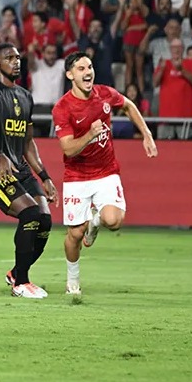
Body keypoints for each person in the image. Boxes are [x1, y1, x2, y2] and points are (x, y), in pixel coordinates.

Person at [51, 52, 158, 294]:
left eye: (89, 66)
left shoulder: (105, 94)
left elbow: (129, 105)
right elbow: (67, 147)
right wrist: (90, 135)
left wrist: (146, 134)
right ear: (70, 75)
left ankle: (96, 221)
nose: (87, 72)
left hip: (106, 171)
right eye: (80, 68)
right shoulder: (62, 108)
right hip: (76, 176)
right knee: (75, 235)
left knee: (114, 220)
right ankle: (72, 282)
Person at [0, 43, 57, 299]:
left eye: (18, 57)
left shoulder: (25, 96)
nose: (16, 62)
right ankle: (21, 283)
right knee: (30, 214)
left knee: (45, 221)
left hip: (20, 169)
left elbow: (28, 142)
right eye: (9, 58)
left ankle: (16, 272)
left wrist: (45, 176)